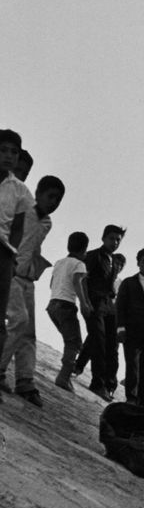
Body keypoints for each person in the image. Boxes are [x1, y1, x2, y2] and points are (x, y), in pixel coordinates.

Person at [0, 175, 66, 407]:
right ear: (37, 194)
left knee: (29, 332)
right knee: (18, 320)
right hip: (12, 274)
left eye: (58, 200)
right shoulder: (22, 210)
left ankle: (25, 380)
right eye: (50, 197)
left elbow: (34, 246)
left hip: (28, 278)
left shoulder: (47, 223)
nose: (53, 203)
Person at [0, 129, 34, 391]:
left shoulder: (20, 190)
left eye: (14, 152)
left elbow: (19, 228)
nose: (9, 156)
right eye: (4, 150)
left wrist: (12, 255)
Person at [77, 224, 126, 398]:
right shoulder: (93, 256)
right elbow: (82, 278)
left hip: (109, 307)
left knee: (112, 346)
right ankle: (97, 383)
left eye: (118, 240)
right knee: (98, 342)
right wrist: (84, 302)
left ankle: (109, 383)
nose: (114, 242)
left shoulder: (114, 261)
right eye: (111, 238)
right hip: (95, 303)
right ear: (104, 238)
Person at [115, 248, 144, 407]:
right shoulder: (128, 282)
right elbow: (120, 306)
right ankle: (131, 398)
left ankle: (143, 401)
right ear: (138, 263)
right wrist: (120, 328)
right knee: (133, 365)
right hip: (131, 330)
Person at [47, 231, 92, 391]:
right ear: (84, 249)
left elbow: (51, 283)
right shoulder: (79, 264)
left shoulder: (59, 262)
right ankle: (64, 377)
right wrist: (84, 303)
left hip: (52, 305)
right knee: (74, 342)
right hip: (66, 305)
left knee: (70, 341)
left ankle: (65, 374)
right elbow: (76, 281)